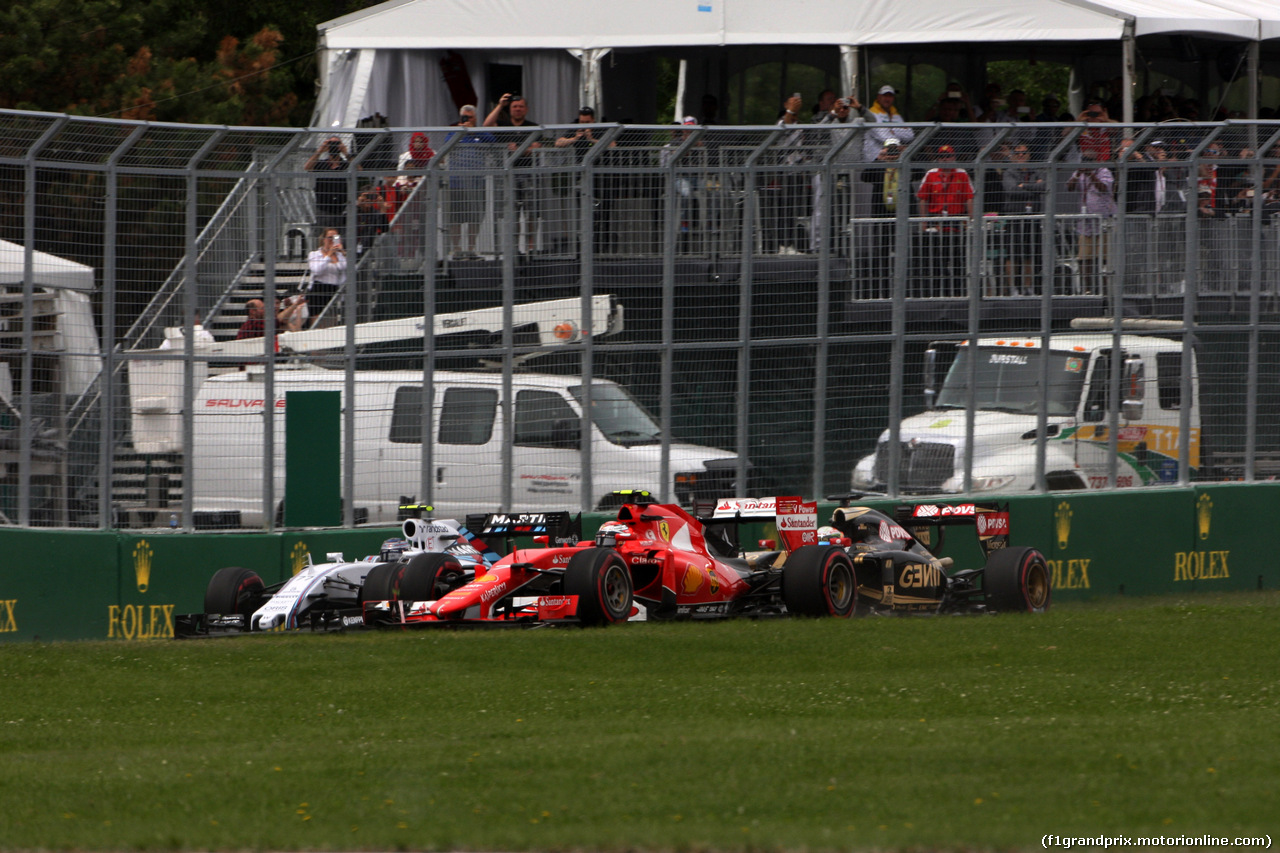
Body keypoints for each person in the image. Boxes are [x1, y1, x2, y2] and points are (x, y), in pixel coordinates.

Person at [484, 93, 542, 253]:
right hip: (508, 176)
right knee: (512, 211)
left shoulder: (533, 127)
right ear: (510, 109)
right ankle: (514, 247)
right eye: (514, 107)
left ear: (526, 109)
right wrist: (500, 105)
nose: (517, 109)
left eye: (521, 106)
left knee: (531, 211)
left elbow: (536, 147)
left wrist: (518, 150)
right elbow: (486, 125)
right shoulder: (503, 126)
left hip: (529, 174)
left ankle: (530, 246)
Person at [916, 144, 974, 296]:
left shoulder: (962, 173)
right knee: (936, 260)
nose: (945, 159)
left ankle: (958, 293)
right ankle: (936, 293)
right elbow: (922, 199)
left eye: (948, 156)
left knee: (957, 259)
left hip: (956, 220)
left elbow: (969, 198)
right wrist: (924, 223)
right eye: (941, 156)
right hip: (936, 220)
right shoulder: (931, 174)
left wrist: (970, 221)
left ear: (954, 158)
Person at [445, 105, 495, 259]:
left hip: (476, 182)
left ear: (475, 118)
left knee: (475, 217)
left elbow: (493, 141)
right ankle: (457, 249)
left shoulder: (480, 132)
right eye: (465, 117)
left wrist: (474, 130)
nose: (468, 120)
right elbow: (447, 144)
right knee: (456, 217)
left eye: (471, 117)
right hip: (456, 183)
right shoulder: (454, 132)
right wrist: (461, 131)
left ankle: (471, 248)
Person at [1066, 143, 1117, 294]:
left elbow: (1103, 188)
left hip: (1103, 222)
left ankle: (1106, 290)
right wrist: (1077, 175)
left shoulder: (1104, 171)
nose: (1086, 163)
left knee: (1105, 258)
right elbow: (1069, 187)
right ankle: (1086, 289)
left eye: (1089, 160)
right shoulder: (1079, 172)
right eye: (1084, 160)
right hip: (1085, 222)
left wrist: (1091, 175)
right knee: (1084, 258)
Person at [858, 138, 904, 298]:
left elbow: (919, 172)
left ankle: (902, 289)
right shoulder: (879, 166)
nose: (891, 153)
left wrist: (906, 155)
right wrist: (879, 158)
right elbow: (864, 176)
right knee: (882, 252)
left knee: (902, 252)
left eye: (894, 150)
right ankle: (882, 290)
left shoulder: (905, 165)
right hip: (882, 215)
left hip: (901, 217)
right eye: (888, 150)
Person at [1001, 144, 1047, 295]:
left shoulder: (1036, 171)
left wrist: (1024, 186)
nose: (1021, 156)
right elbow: (1012, 190)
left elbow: (1044, 187)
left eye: (1024, 153)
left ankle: (1028, 287)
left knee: (1030, 253)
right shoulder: (1009, 172)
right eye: (1018, 153)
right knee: (1013, 254)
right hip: (1015, 216)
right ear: (1013, 156)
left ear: (1029, 155)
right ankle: (1013, 288)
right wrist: (1032, 187)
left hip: (1032, 217)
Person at [304, 136, 353, 231]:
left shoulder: (346, 165)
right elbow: (307, 167)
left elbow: (358, 169)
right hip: (323, 208)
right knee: (323, 235)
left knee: (339, 237)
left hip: (340, 209)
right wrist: (320, 151)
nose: (334, 146)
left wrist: (346, 153)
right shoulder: (322, 164)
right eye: (331, 143)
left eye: (337, 143)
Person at [305, 229, 347, 326]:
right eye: (330, 237)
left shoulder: (340, 255)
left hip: (333, 289)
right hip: (319, 289)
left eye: (336, 237)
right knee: (317, 320)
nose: (332, 240)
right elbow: (317, 270)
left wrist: (342, 252)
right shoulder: (315, 254)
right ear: (323, 239)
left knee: (331, 320)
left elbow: (344, 267)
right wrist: (328, 255)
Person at [862, 85, 914, 161]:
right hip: (874, 159)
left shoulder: (896, 115)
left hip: (893, 159)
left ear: (893, 98)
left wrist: (892, 130)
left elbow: (910, 135)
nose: (887, 99)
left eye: (890, 96)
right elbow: (884, 136)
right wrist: (898, 132)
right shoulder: (872, 114)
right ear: (879, 97)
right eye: (885, 96)